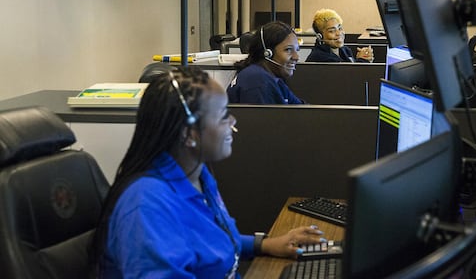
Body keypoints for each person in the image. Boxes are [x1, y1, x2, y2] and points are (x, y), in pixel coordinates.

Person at [91, 67, 325, 278]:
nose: (232, 122)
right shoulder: (148, 204)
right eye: (223, 115)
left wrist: (264, 244)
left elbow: (212, 237)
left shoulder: (197, 174)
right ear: (189, 134)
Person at [227, 21, 305, 104]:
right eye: (288, 50)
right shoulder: (258, 81)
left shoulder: (273, 79)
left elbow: (302, 109)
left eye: (296, 50)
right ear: (268, 53)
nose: (296, 57)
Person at [306, 8, 374, 63]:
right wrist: (362, 60)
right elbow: (347, 75)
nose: (338, 33)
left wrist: (364, 56)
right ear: (320, 37)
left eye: (340, 28)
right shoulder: (320, 57)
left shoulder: (345, 50)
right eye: (332, 31)